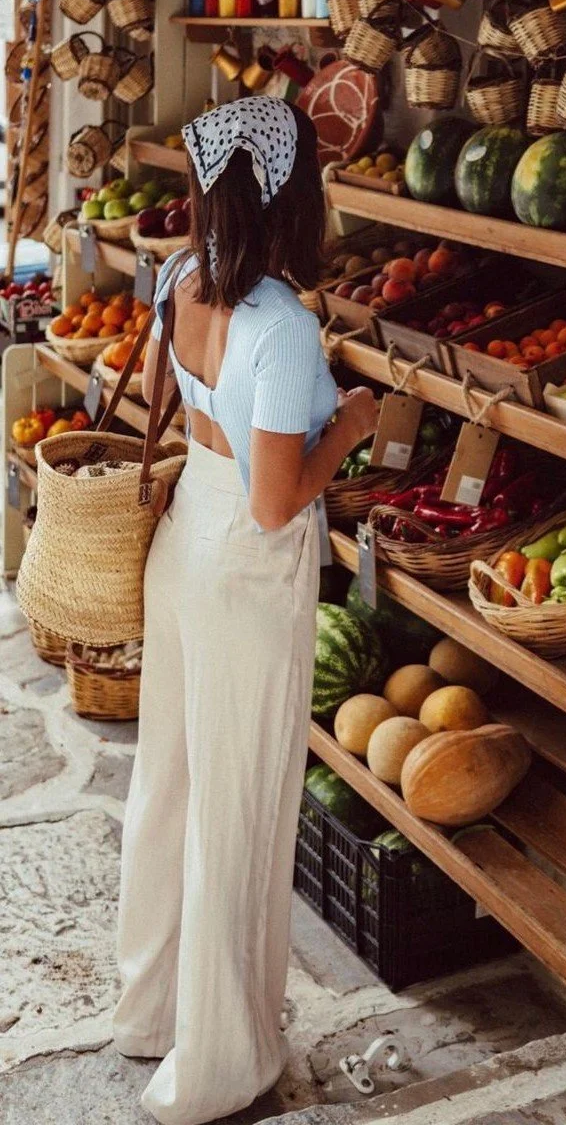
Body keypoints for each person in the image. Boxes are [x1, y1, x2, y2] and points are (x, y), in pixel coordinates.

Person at [112, 97, 379, 1125]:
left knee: (171, 783)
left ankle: (150, 1010)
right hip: (247, 567)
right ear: (289, 196)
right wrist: (347, 423)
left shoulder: (181, 279)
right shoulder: (284, 326)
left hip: (185, 540)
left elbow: (157, 390)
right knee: (239, 803)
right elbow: (279, 502)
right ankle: (220, 1062)